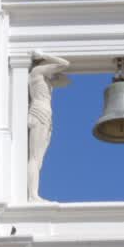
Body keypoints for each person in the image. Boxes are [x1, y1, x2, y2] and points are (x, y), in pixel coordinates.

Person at [27, 51, 70, 201]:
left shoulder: (43, 78)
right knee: (35, 158)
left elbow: (66, 81)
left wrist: (52, 74)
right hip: (40, 113)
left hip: (45, 115)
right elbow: (65, 64)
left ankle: (32, 193)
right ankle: (32, 195)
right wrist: (44, 55)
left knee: (38, 160)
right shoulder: (37, 71)